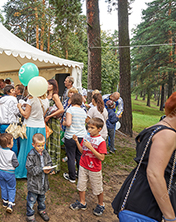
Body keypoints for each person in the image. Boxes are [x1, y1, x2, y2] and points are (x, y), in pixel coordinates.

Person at [112, 92, 176, 221]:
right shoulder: (167, 135)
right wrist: (170, 217)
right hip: (148, 204)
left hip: (138, 196)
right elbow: (154, 174)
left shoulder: (155, 128)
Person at [69, 118, 107, 216]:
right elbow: (82, 151)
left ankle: (101, 204)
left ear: (99, 129)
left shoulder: (101, 141)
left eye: (92, 128)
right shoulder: (86, 137)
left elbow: (101, 157)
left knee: (97, 188)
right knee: (81, 185)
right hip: (83, 165)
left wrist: (91, 147)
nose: (89, 130)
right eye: (88, 127)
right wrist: (77, 141)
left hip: (94, 168)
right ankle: (82, 203)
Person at [16, 94, 49, 179]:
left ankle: (23, 172)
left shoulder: (31, 100)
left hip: (30, 126)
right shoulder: (46, 101)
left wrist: (19, 107)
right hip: (41, 127)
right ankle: (38, 171)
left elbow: (26, 115)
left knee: (26, 149)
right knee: (39, 150)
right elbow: (43, 115)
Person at [26, 133, 52, 222]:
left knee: (42, 199)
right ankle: (30, 215)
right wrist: (42, 169)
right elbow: (30, 169)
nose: (41, 147)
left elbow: (49, 162)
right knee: (31, 200)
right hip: (34, 184)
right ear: (33, 145)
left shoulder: (45, 153)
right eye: (38, 145)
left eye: (43, 145)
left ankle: (41, 210)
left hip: (43, 183)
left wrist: (50, 168)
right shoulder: (31, 155)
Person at [62, 93, 87, 183]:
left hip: (71, 136)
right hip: (81, 136)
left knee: (71, 156)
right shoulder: (83, 111)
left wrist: (63, 123)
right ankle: (80, 176)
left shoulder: (70, 110)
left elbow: (68, 123)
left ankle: (72, 177)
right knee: (79, 156)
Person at [0, 133, 19, 213]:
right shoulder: (12, 154)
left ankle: (5, 201)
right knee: (11, 187)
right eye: (12, 141)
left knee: (3, 186)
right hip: (9, 173)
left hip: (0, 172)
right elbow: (16, 164)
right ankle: (10, 203)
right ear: (9, 145)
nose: (13, 143)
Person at [45, 79, 64, 174]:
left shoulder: (55, 96)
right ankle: (48, 165)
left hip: (54, 122)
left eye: (49, 84)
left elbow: (61, 109)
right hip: (47, 122)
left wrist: (49, 116)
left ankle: (55, 167)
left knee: (54, 144)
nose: (47, 85)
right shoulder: (45, 95)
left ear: (53, 86)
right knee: (48, 143)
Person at [0, 85, 20, 154]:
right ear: (8, 92)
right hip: (12, 124)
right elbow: (16, 112)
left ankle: (2, 157)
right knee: (13, 142)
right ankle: (13, 158)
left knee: (2, 142)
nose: (14, 91)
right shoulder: (13, 99)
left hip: (2, 124)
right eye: (13, 90)